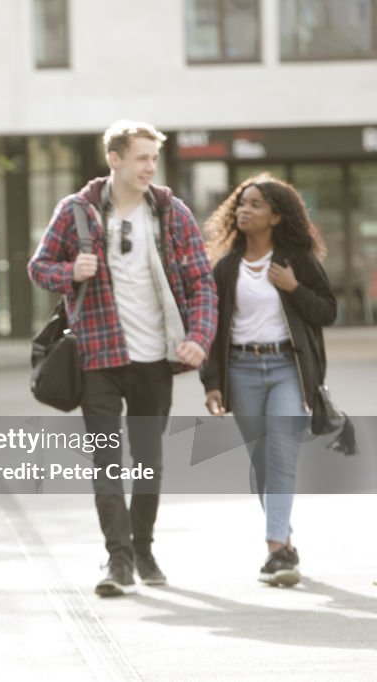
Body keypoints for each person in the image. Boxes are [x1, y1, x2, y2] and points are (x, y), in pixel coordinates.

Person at [28, 120, 218, 597]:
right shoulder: (76, 212)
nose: (149, 167)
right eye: (141, 157)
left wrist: (199, 336)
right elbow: (38, 267)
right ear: (114, 158)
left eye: (154, 158)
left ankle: (144, 547)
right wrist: (71, 270)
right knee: (108, 463)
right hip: (99, 355)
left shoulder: (170, 213)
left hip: (155, 357)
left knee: (149, 459)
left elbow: (201, 283)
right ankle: (118, 559)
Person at [200, 173, 336, 587]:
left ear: (277, 216)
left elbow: (327, 311)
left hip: (286, 370)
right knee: (262, 461)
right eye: (241, 203)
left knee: (280, 456)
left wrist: (294, 288)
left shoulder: (296, 261)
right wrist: (212, 382)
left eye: (255, 204)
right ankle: (286, 541)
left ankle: (275, 548)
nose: (244, 209)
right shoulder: (226, 269)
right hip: (241, 370)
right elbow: (212, 328)